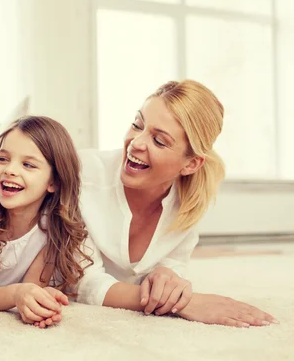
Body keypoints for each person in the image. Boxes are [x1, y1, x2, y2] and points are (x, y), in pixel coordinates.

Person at [76, 79, 277, 327]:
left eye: (159, 141)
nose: (137, 143)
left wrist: (167, 275)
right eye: (137, 125)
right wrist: (183, 303)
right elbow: (82, 282)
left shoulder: (189, 200)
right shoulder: (83, 176)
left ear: (190, 164)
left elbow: (175, 261)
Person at [0, 116, 92, 328]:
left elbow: (29, 288)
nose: (10, 170)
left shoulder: (54, 227)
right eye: (3, 159)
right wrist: (19, 294)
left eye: (28, 164)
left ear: (54, 182)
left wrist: (39, 301)